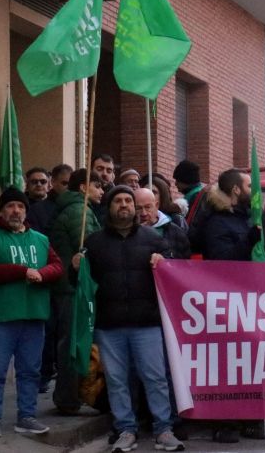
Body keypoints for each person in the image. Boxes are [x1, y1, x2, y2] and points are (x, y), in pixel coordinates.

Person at [78, 186, 184, 453]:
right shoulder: (93, 242)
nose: (124, 205)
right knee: (117, 379)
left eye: (128, 201)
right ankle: (125, 428)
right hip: (109, 324)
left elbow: (173, 272)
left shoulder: (152, 238)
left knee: (155, 377)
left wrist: (165, 260)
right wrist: (74, 268)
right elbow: (80, 285)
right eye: (118, 201)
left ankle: (163, 428)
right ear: (110, 207)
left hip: (147, 323)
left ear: (135, 208)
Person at [0, 187, 62, 438]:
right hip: (0, 316)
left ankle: (27, 416)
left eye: (21, 206)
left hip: (33, 315)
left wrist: (41, 274)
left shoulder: (41, 239)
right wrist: (22, 271)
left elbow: (57, 266)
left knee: (30, 371)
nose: (16, 211)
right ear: (2, 210)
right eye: (11, 206)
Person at [46, 169, 104, 415]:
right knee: (72, 342)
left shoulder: (72, 208)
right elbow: (93, 246)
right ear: (83, 187)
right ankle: (68, 397)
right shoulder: (80, 212)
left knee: (68, 341)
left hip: (66, 287)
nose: (102, 191)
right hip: (73, 288)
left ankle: (67, 395)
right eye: (97, 186)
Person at [187, 170, 253, 261]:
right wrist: (250, 240)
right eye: (250, 186)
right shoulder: (217, 222)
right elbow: (222, 260)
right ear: (236, 190)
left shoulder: (246, 217)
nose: (254, 191)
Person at [135, 188, 191, 259]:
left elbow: (183, 263)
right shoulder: (128, 232)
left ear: (156, 205)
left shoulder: (175, 232)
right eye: (138, 208)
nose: (144, 213)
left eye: (147, 207)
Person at [25, 168, 57, 234]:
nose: (39, 184)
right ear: (27, 186)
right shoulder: (21, 206)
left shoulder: (57, 205)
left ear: (49, 186)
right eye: (34, 182)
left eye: (43, 182)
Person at [173, 160, 205, 226]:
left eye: (178, 180)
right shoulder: (200, 194)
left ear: (186, 180)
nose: (175, 184)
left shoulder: (196, 197)